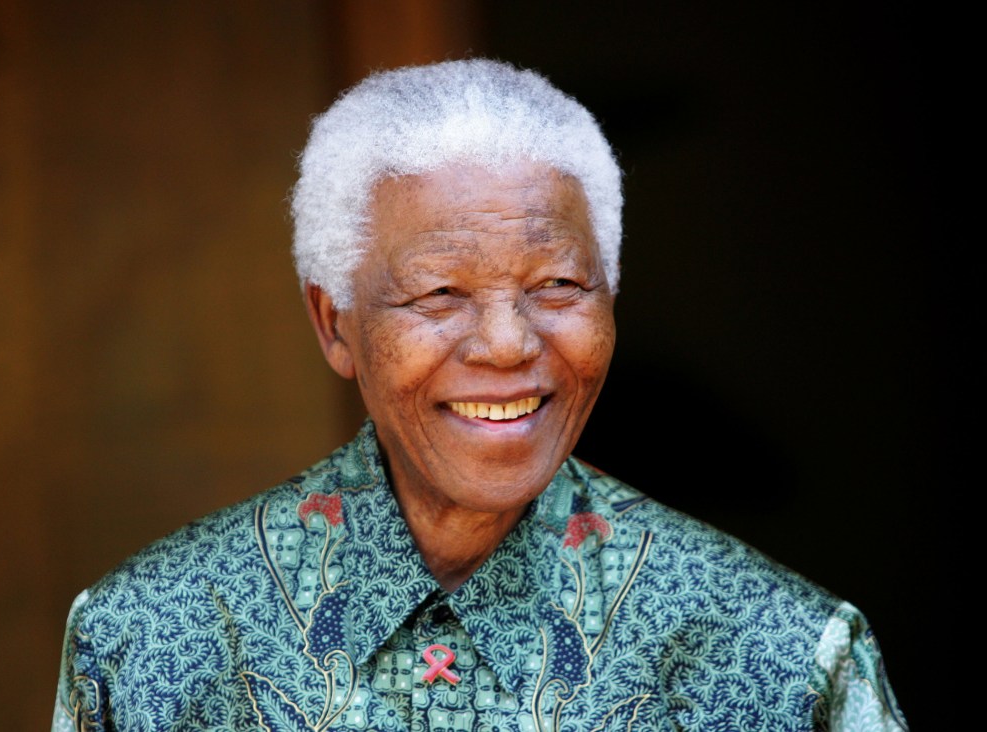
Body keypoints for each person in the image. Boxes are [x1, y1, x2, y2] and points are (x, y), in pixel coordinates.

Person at [52, 59, 907, 732]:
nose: (507, 343)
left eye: (560, 285)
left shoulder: (784, 655)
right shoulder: (152, 641)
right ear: (334, 323)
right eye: (439, 294)